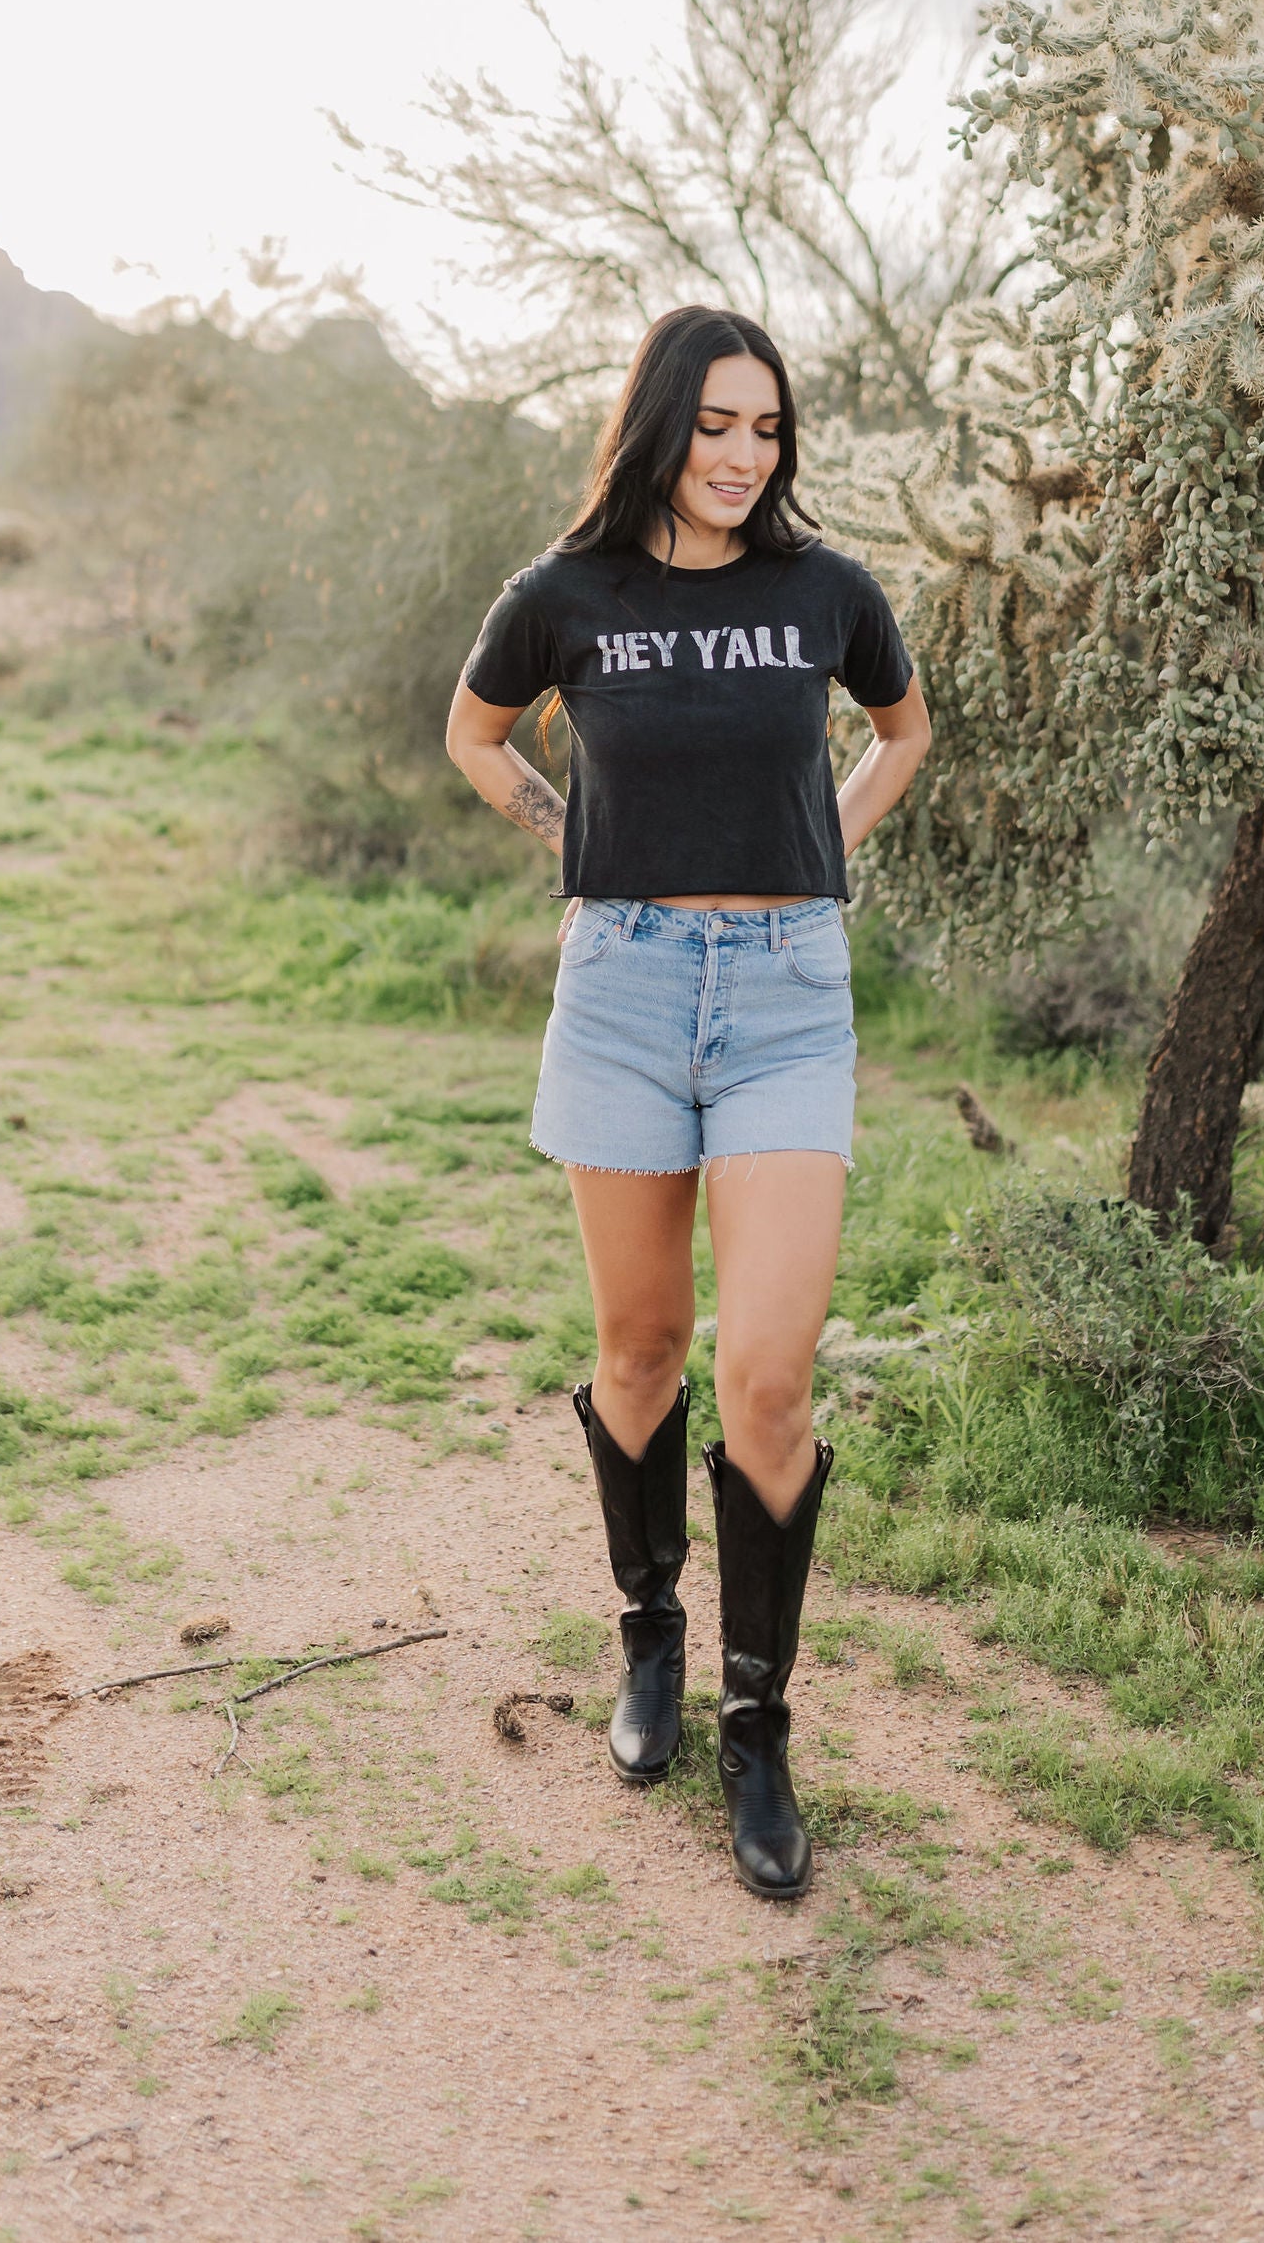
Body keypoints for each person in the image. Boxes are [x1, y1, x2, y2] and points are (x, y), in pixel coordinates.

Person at [446, 304, 930, 1899]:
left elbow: (903, 730)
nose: (742, 455)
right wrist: (570, 837)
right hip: (629, 990)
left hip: (788, 995)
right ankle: (651, 1633)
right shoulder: (565, 592)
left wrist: (825, 851)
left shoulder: (825, 591)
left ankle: (757, 1722)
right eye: (716, 424)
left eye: (767, 429)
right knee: (642, 1349)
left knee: (769, 1376)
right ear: (660, 423)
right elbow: (475, 730)